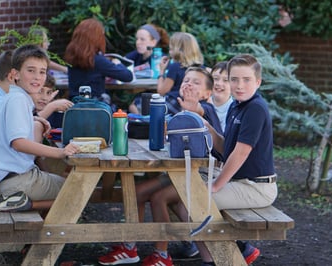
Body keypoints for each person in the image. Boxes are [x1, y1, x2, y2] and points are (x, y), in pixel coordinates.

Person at [97, 67, 222, 266]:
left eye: (196, 82)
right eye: (186, 80)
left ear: (208, 93)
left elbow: (201, 117)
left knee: (159, 197)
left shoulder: (205, 109)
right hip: (181, 172)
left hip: (204, 175)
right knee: (137, 192)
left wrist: (194, 109)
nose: (188, 84)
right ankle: (129, 247)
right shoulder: (181, 109)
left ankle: (162, 255)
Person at [175, 54, 277, 266]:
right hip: (239, 181)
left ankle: (220, 257)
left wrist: (216, 185)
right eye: (235, 79)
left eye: (246, 80)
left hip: (255, 187)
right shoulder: (236, 106)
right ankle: (236, 249)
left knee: (194, 203)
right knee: (186, 192)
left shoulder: (255, 108)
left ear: (258, 82)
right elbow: (224, 147)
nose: (240, 85)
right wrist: (200, 120)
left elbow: (240, 153)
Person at [0, 44, 80, 212]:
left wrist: (34, 119)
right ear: (14, 74)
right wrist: (60, 152)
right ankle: (25, 204)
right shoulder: (18, 100)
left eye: (42, 71)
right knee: (77, 190)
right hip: (16, 181)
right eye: (30, 70)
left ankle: (23, 205)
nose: (37, 77)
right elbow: (18, 143)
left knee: (69, 185)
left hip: (6, 178)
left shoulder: (16, 97)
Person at [64, 18, 133, 103]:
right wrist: (118, 63)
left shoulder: (71, 57)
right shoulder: (97, 61)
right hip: (96, 107)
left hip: (75, 105)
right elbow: (128, 76)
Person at [125, 23, 169, 114]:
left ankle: (145, 126)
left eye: (142, 39)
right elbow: (121, 62)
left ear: (153, 42)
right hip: (142, 93)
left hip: (159, 96)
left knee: (133, 107)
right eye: (137, 39)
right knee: (132, 107)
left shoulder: (161, 58)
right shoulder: (136, 55)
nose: (138, 42)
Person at [157, 32, 204, 115]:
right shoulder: (201, 68)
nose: (169, 52)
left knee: (141, 104)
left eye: (171, 49)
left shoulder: (175, 67)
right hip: (194, 104)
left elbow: (161, 91)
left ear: (178, 50)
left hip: (175, 103)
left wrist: (161, 71)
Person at [208, 61, 233, 132]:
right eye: (215, 78)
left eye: (226, 80)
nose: (219, 83)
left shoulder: (235, 111)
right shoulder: (201, 105)